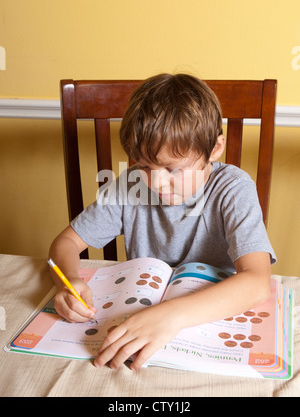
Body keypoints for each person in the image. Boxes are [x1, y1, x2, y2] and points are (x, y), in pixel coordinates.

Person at [49, 73, 276, 370]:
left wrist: (170, 315)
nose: (156, 182)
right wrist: (69, 282)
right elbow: (65, 242)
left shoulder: (233, 188)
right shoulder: (130, 185)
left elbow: (257, 283)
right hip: (142, 322)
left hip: (210, 321)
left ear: (215, 149)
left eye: (173, 169)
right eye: (144, 165)